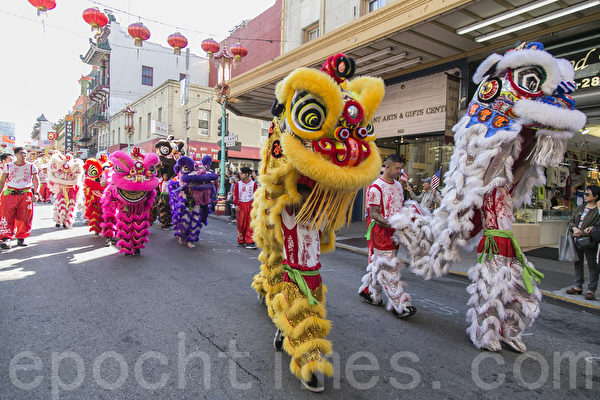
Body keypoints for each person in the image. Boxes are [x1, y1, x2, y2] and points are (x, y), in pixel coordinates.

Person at [359, 154, 417, 318]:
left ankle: (369, 292)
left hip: (395, 234)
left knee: (380, 265)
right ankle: (400, 305)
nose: (399, 171)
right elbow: (373, 213)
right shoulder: (376, 187)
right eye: (397, 168)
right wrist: (390, 223)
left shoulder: (399, 186)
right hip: (381, 234)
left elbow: (400, 207)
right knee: (389, 269)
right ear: (388, 166)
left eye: (401, 168)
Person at [0, 147, 39, 248]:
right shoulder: (8, 166)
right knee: (7, 216)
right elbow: (2, 180)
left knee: (24, 217)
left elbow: (36, 180)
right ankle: (6, 239)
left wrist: (36, 193)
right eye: (21, 153)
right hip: (9, 194)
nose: (24, 155)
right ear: (16, 154)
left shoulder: (31, 166)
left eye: (25, 153)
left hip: (25, 195)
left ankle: (21, 238)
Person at [566, 185, 600, 300]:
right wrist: (574, 228)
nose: (584, 196)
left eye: (587, 194)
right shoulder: (580, 207)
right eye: (584, 193)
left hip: (588, 240)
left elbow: (598, 226)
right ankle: (578, 286)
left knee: (591, 265)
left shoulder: (597, 210)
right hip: (576, 238)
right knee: (577, 262)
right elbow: (571, 221)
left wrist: (590, 229)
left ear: (595, 196)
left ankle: (591, 289)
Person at [233, 166, 258, 249]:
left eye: (242, 173)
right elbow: (235, 195)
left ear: (247, 174)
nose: (240, 175)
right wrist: (236, 204)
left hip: (250, 205)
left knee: (250, 224)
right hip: (241, 205)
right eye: (240, 173)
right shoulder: (238, 184)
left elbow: (256, 195)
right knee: (241, 224)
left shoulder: (253, 184)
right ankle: (241, 241)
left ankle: (249, 241)